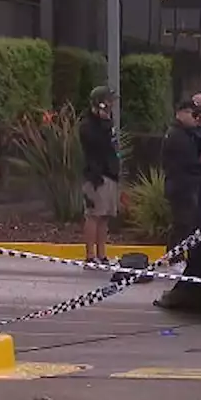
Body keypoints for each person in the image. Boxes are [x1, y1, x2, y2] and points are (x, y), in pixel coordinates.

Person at [154, 98, 201, 312]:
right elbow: (188, 160)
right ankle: (174, 257)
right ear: (181, 112)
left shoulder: (194, 132)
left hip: (192, 184)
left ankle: (179, 256)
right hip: (181, 185)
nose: (196, 116)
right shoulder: (177, 135)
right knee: (182, 222)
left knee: (190, 224)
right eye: (192, 112)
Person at [79, 85, 120, 265]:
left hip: (109, 173)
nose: (111, 105)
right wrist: (102, 123)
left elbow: (112, 147)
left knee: (105, 216)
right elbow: (94, 144)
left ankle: (102, 254)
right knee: (93, 214)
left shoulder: (108, 123)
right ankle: (90, 255)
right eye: (108, 101)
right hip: (95, 176)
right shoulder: (88, 124)